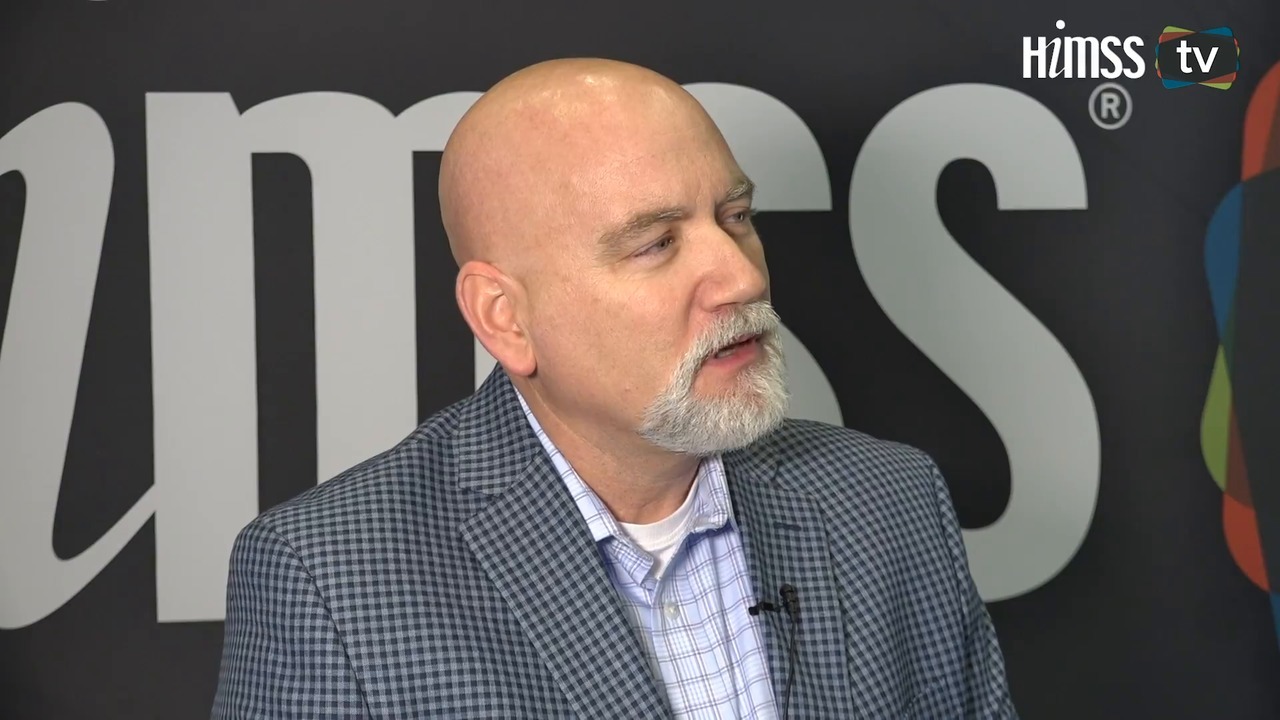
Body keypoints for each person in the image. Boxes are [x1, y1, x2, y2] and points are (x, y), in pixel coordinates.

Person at [212, 58, 1017, 719]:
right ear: (505, 318)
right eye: (656, 244)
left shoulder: (891, 502)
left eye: (736, 217)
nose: (740, 278)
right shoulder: (329, 579)